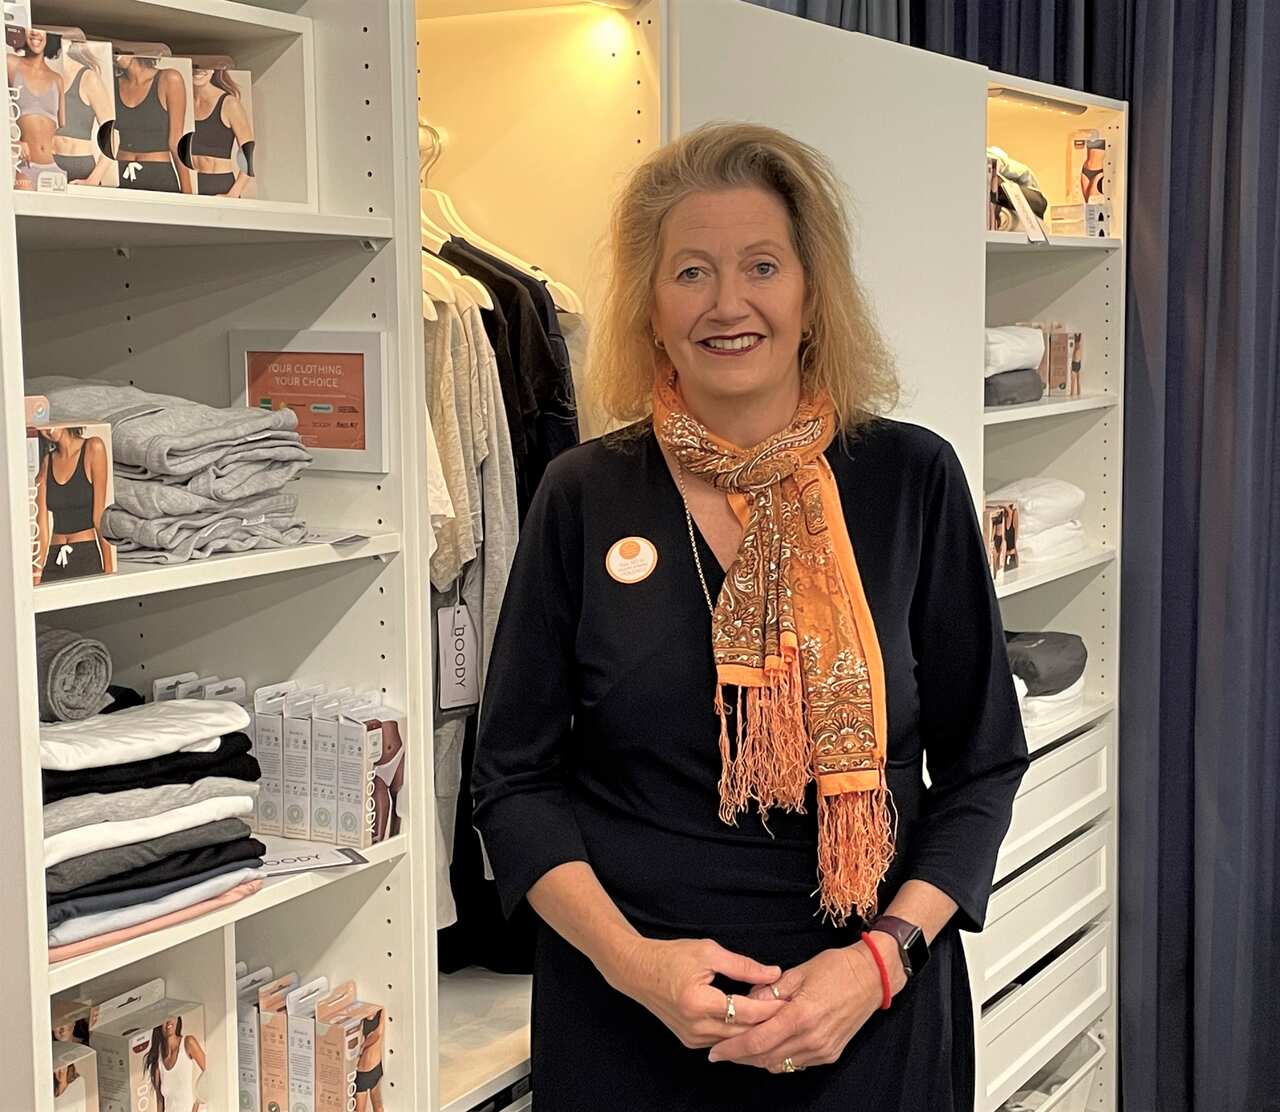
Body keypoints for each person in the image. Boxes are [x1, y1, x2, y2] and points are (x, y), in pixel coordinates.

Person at [471, 122, 1030, 1110]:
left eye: (760, 266)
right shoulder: (582, 493)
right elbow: (512, 778)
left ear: (811, 293)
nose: (727, 303)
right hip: (628, 1022)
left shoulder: (909, 480)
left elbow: (982, 763)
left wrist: (878, 962)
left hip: (872, 1022)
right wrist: (636, 965)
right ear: (649, 305)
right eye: (689, 272)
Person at [35, 426, 115, 583]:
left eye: (52, 424)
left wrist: (109, 569)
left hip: (85, 555)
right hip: (54, 558)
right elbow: (41, 526)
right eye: (43, 428)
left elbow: (100, 515)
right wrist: (36, 573)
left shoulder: (93, 448)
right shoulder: (46, 462)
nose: (48, 430)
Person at [115, 55, 192, 193]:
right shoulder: (113, 83)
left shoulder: (169, 79)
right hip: (122, 175)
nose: (116, 54)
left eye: (120, 49)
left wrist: (188, 194)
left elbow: (176, 141)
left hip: (158, 176)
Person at [7, 28, 65, 190]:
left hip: (53, 168)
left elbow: (61, 126)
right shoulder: (10, 64)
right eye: (29, 28)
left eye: (41, 29)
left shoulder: (57, 79)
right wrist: (12, 142)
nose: (35, 33)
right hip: (26, 167)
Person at [53, 41, 113, 186]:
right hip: (48, 164)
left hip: (78, 166)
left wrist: (93, 179)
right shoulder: (47, 73)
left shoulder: (89, 78)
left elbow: (112, 135)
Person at [190, 67, 255, 198]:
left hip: (220, 184)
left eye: (205, 66)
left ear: (214, 69)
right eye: (195, 65)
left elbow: (247, 154)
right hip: (193, 186)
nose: (199, 70)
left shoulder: (230, 104)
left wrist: (232, 194)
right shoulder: (184, 100)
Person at [146, 1014, 206, 1112]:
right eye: (164, 1018)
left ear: (177, 1018)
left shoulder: (188, 1043)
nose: (169, 1021)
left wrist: (196, 1106)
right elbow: (160, 1101)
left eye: (172, 1015)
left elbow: (211, 1072)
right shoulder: (158, 1061)